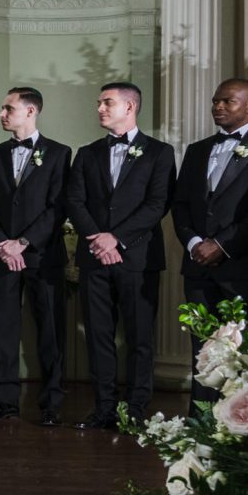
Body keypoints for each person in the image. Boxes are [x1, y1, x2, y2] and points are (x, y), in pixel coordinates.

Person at [172, 78, 248, 405]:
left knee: (247, 345)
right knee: (202, 348)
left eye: (228, 102)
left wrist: (222, 245)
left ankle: (246, 420)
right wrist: (194, 241)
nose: (218, 107)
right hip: (197, 265)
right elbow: (180, 204)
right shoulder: (197, 150)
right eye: (215, 102)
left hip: (244, 263)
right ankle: (202, 420)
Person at [66, 82, 174, 431]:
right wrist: (98, 239)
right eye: (99, 102)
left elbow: (158, 204)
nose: (99, 108)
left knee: (139, 337)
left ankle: (137, 410)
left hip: (138, 258)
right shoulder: (87, 152)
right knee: (98, 336)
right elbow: (75, 201)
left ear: (130, 107)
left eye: (106, 102)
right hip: (94, 257)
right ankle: (104, 408)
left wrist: (117, 239)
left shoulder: (160, 152)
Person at [0, 87, 70, 426]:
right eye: (2, 108)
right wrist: (4, 244)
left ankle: (51, 403)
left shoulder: (60, 153)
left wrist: (25, 242)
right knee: (4, 329)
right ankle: (5, 402)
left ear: (31, 111)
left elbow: (57, 206)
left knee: (50, 331)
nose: (1, 114)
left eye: (8, 108)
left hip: (43, 257)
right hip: (3, 256)